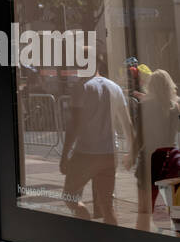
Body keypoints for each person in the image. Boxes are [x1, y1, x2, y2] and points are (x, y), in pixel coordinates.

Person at [61, 54, 133, 226]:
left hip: (86, 152)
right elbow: (127, 124)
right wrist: (132, 152)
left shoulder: (82, 88)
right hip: (109, 153)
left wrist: (65, 155)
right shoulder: (114, 87)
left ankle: (87, 230)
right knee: (107, 206)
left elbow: (75, 125)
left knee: (69, 196)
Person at [134, 69, 180, 230]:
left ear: (150, 86)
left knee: (144, 210)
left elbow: (139, 137)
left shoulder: (144, 106)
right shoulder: (175, 107)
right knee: (177, 212)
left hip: (150, 160)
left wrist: (131, 156)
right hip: (171, 161)